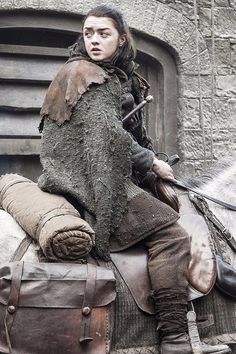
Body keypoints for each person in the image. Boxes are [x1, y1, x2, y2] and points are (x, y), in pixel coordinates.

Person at [38, 5, 230, 354]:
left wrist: (149, 164)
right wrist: (152, 163)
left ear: (121, 38)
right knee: (171, 233)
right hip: (86, 177)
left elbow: (127, 132)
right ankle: (174, 337)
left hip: (103, 167)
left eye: (103, 33)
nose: (94, 40)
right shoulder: (86, 74)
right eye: (88, 33)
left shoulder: (115, 74)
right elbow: (108, 135)